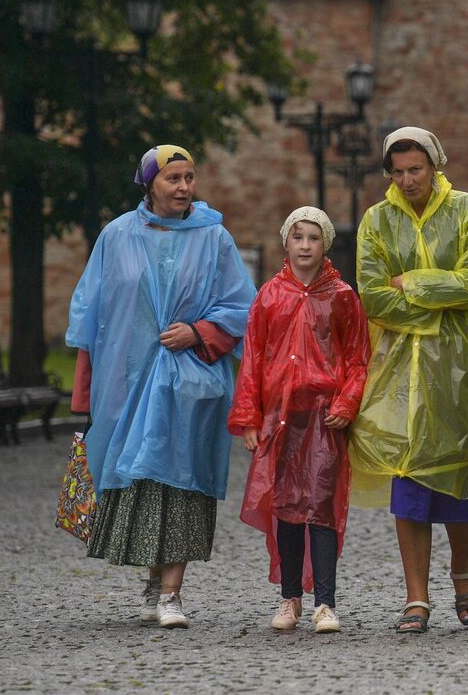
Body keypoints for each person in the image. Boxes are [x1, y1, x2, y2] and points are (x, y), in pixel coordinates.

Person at [66, 145, 255, 629]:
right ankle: (154, 582)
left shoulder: (214, 239)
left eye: (190, 177)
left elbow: (243, 309)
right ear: (150, 182)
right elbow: (92, 316)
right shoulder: (116, 236)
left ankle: (172, 593)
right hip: (126, 385)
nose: (184, 187)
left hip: (190, 384)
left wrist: (199, 332)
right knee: (147, 483)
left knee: (184, 480)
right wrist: (85, 394)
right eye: (173, 178)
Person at [348, 127, 468, 633]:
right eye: (398, 171)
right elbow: (372, 295)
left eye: (416, 168)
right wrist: (439, 299)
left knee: (459, 474)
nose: (408, 179)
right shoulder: (377, 220)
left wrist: (409, 282)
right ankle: (416, 597)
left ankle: (462, 571)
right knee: (408, 477)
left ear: (434, 164)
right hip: (399, 368)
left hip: (462, 365)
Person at [228, 207, 369, 634]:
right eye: (298, 237)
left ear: (325, 243)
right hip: (281, 417)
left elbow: (358, 357)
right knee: (287, 507)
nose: (305, 245)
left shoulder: (342, 295)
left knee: (323, 507)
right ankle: (290, 597)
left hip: (325, 417)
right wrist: (250, 417)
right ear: (286, 242)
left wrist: (347, 402)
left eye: (313, 237)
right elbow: (252, 358)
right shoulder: (269, 296)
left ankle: (325, 602)